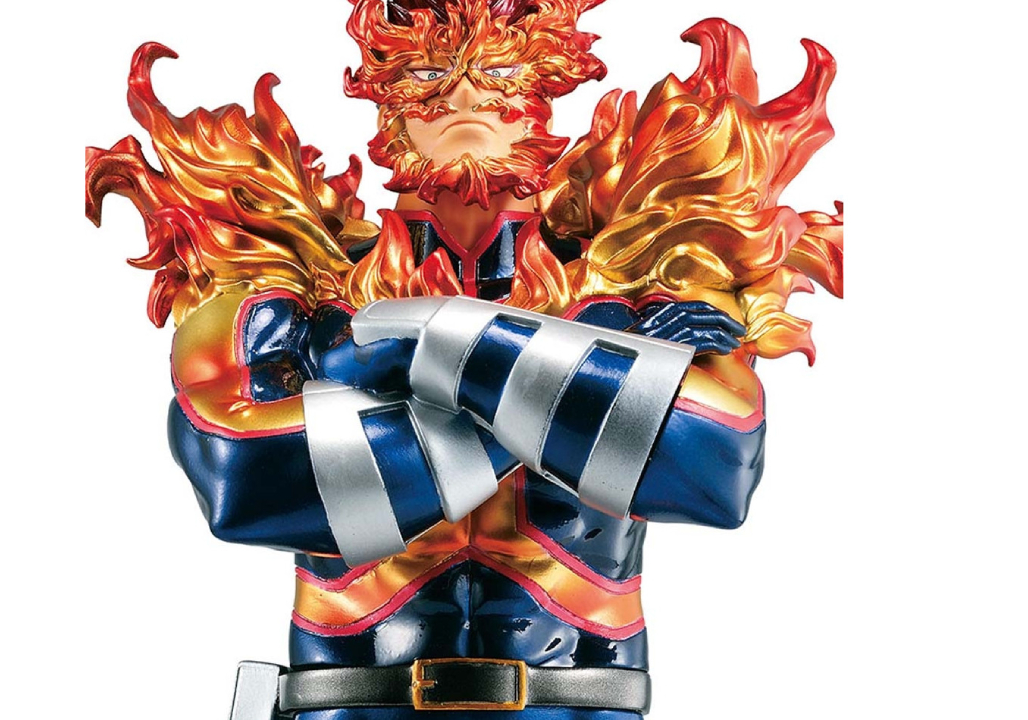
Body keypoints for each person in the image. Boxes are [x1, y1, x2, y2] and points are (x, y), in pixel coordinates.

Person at [84, 1, 843, 716]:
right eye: (428, 72)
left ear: (544, 84)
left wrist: (427, 342)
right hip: (352, 698)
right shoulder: (298, 277)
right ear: (385, 93)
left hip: (579, 699)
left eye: (500, 71)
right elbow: (243, 475)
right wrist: (587, 391)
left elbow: (715, 466)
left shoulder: (639, 270)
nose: (465, 95)